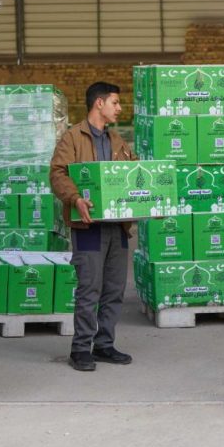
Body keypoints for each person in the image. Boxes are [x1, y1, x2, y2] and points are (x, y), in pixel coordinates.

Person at [50, 82, 137, 372]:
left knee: (114, 288)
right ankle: (80, 348)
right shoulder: (73, 137)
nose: (120, 108)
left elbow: (135, 175)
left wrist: (152, 202)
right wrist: (75, 199)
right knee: (90, 288)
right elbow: (58, 173)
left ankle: (104, 345)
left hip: (117, 227)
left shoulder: (118, 142)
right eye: (115, 102)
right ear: (99, 103)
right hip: (88, 226)